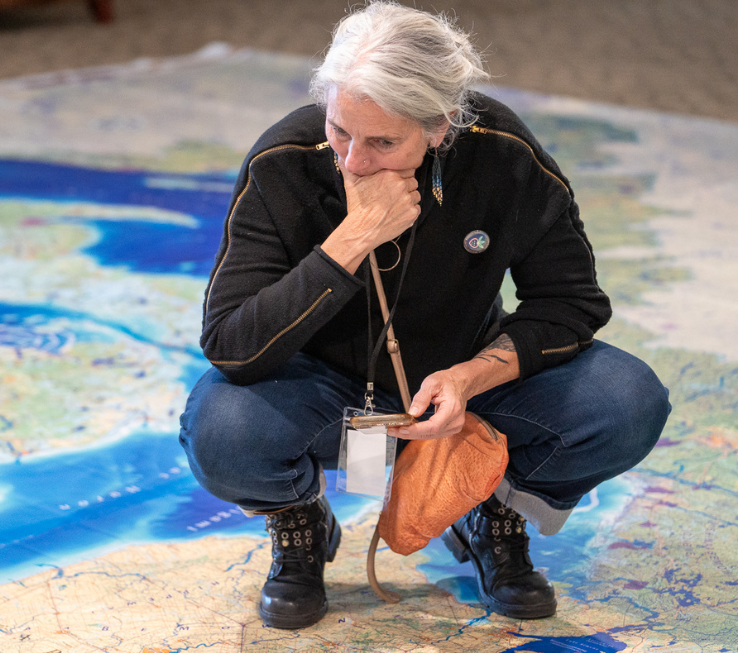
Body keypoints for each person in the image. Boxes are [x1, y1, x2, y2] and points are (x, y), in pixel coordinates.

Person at [179, 0, 670, 630]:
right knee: (220, 431)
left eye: (384, 141)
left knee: (627, 402)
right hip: (321, 391)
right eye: (340, 131)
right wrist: (350, 240)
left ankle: (491, 507)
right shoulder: (283, 161)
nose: (354, 160)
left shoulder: (504, 156)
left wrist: (472, 377)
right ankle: (299, 517)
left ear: (440, 126)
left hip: (461, 385)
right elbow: (230, 344)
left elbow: (570, 303)